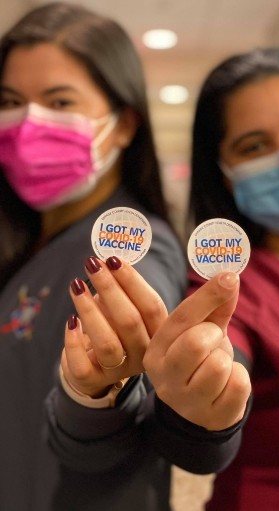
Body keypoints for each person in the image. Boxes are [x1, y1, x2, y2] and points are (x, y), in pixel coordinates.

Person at [46, 45, 279, 510]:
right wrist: (198, 412)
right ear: (225, 172)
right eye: (253, 146)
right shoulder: (226, 289)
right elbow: (196, 439)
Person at [0, 3, 186, 511]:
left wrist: (103, 394)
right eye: (10, 100)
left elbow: (132, 419)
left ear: (124, 124)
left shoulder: (128, 252)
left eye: (59, 101)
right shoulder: (27, 241)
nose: (28, 122)